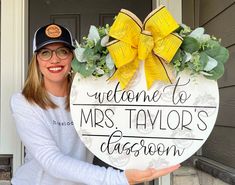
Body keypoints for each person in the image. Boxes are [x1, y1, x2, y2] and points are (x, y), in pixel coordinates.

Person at [10, 23, 180, 185]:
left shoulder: (91, 96)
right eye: (45, 53)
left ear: (72, 57)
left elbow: (125, 125)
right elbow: (51, 160)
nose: (54, 59)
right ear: (37, 60)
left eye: (63, 51)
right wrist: (119, 179)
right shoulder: (23, 102)